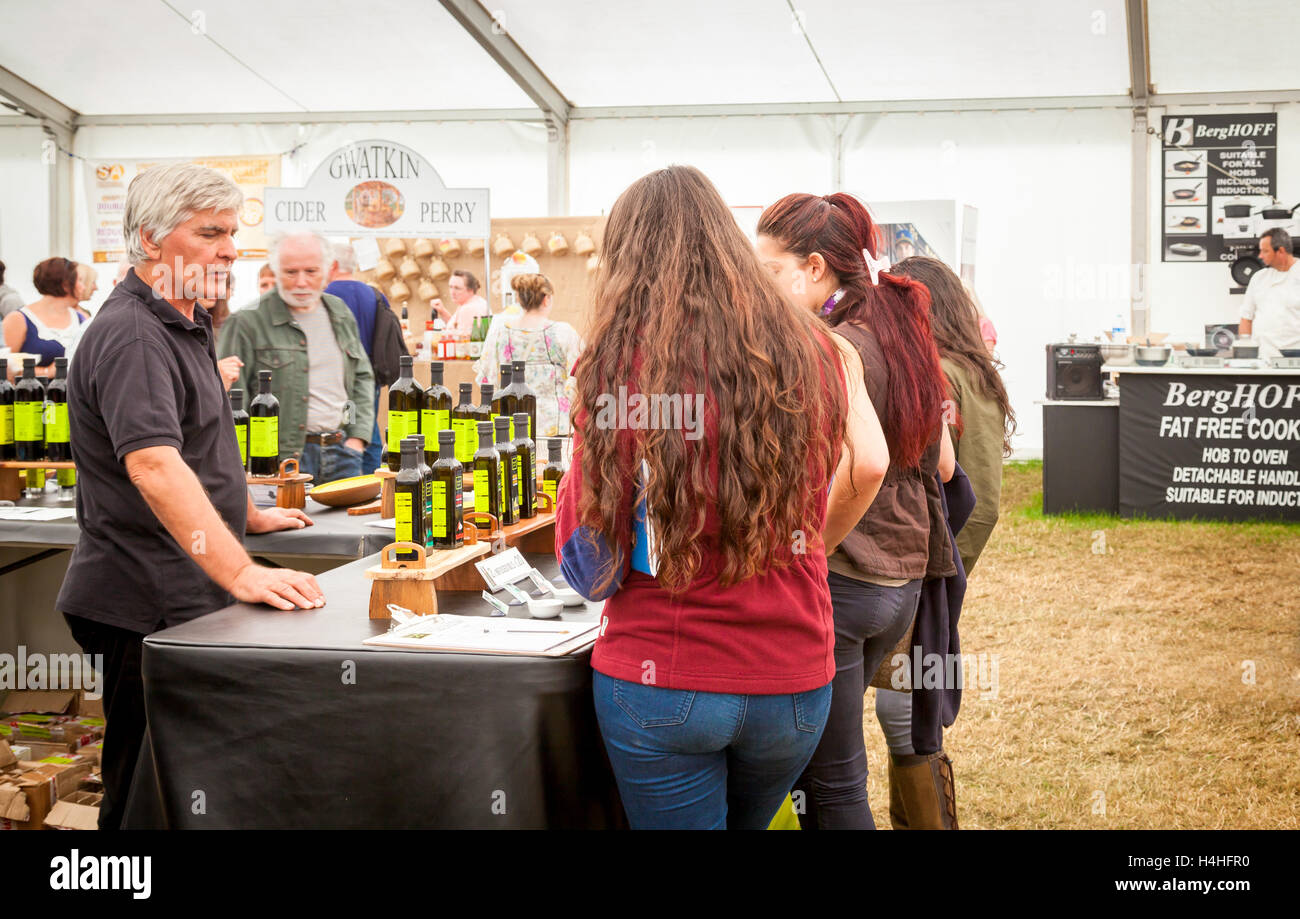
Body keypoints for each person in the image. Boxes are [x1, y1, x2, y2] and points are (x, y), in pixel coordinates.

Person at [555, 165, 882, 830]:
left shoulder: (620, 362)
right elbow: (863, 464)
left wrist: (575, 461)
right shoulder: (816, 350)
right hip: (793, 681)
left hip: (665, 682)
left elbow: (590, 563)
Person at [56, 162, 323, 830]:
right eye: (209, 232)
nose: (231, 248)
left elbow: (194, 445)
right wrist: (238, 570)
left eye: (233, 232)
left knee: (182, 785)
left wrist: (244, 514)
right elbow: (151, 464)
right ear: (149, 240)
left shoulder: (183, 320)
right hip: (143, 596)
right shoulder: (136, 334)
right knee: (144, 796)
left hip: (172, 587)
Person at [757, 192, 955, 830]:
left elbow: (866, 464)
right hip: (900, 583)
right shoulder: (900, 330)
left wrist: (811, 544)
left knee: (833, 785)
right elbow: (944, 462)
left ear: (815, 267)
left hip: (847, 582)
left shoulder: (836, 346)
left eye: (770, 273)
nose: (762, 291)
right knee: (827, 775)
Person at [218, 232, 375, 485]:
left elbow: (360, 377)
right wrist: (246, 464)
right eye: (291, 272)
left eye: (311, 271)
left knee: (346, 526)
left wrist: (356, 437)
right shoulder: (246, 323)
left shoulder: (339, 312)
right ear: (276, 271)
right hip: (281, 461)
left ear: (327, 271)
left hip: (344, 454)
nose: (301, 282)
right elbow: (232, 401)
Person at [895, 257, 1017, 575]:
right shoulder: (969, 368)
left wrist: (943, 572)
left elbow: (977, 498)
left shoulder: (946, 373)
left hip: (936, 557)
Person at [472, 273, 583, 437]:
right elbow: (579, 378)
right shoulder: (563, 332)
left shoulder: (499, 333)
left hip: (510, 422)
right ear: (546, 299)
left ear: (519, 299)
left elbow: (487, 380)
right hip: (556, 423)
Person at [327, 242, 391, 474]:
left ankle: (354, 480)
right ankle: (373, 481)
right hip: (371, 376)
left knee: (352, 429)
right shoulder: (374, 294)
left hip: (339, 380)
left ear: (332, 264)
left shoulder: (326, 296)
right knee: (369, 427)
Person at [2, 257, 90, 376]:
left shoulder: (81, 318)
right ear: (65, 283)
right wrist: (47, 372)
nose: (83, 287)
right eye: (79, 280)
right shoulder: (19, 319)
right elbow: (4, 369)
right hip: (34, 393)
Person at [1239, 228, 1300, 359]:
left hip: (1296, 359)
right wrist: (1245, 357)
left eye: (1265, 251)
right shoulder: (1258, 278)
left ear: (1281, 251)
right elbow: (1246, 318)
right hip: (1263, 359)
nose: (1260, 256)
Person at [432, 269, 490, 335]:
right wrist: (442, 311)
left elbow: (459, 339)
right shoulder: (474, 302)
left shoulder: (468, 309)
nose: (452, 292)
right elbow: (455, 326)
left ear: (470, 290)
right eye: (450, 287)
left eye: (457, 288)